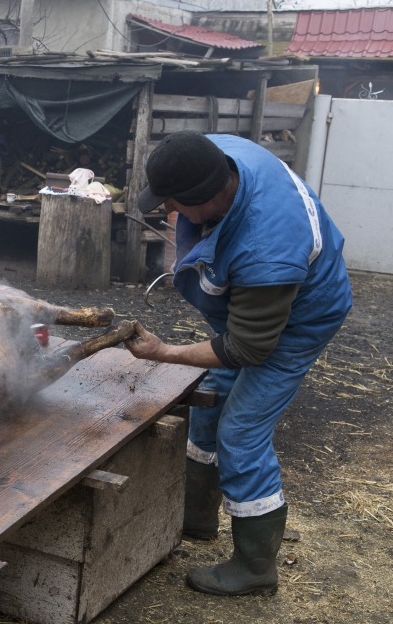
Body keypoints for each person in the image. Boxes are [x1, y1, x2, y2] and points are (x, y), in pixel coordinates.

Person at [125, 131, 352, 596]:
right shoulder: (214, 152)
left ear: (204, 200)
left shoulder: (266, 246)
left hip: (301, 317)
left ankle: (254, 566)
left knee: (241, 433)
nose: (168, 213)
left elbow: (247, 349)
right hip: (256, 304)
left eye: (172, 205)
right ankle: (196, 515)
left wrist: (166, 353)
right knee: (209, 400)